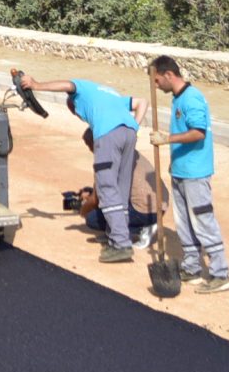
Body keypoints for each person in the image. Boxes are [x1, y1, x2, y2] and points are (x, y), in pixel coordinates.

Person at [12, 69, 143, 262]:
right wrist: (135, 125)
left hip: (108, 134)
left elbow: (67, 85)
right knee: (120, 189)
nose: (81, 117)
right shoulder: (108, 94)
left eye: (77, 113)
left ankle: (121, 245)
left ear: (74, 104)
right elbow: (143, 102)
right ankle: (116, 236)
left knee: (107, 187)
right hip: (129, 133)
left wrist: (36, 85)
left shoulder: (81, 89)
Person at [147, 55, 229, 294]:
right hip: (181, 171)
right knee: (184, 223)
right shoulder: (177, 98)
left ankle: (220, 273)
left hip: (195, 173)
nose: (156, 85)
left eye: (156, 80)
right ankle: (192, 267)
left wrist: (167, 139)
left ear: (169, 75)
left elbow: (198, 133)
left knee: (202, 221)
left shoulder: (191, 99)